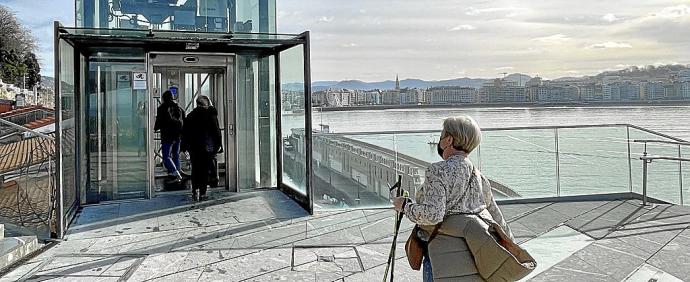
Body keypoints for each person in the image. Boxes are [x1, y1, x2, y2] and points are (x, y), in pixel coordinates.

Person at [393, 116, 514, 282]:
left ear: (449, 139)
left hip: (443, 257)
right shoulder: (479, 176)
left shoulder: (438, 170)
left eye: (442, 135)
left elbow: (433, 215)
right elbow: (495, 216)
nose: (440, 139)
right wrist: (512, 247)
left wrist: (405, 206)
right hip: (474, 254)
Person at [181, 95, 222, 201]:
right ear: (206, 104)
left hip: (194, 147)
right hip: (206, 147)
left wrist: (184, 147)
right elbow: (216, 131)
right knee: (204, 169)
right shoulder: (210, 115)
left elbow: (185, 133)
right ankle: (203, 192)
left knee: (195, 168)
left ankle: (195, 189)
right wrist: (218, 144)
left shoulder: (190, 116)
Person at [154, 90, 185, 181]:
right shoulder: (178, 108)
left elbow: (158, 121)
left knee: (166, 156)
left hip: (167, 136)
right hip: (178, 135)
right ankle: (177, 172)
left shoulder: (162, 108)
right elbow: (184, 121)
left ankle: (175, 172)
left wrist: (155, 128)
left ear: (163, 98)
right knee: (176, 155)